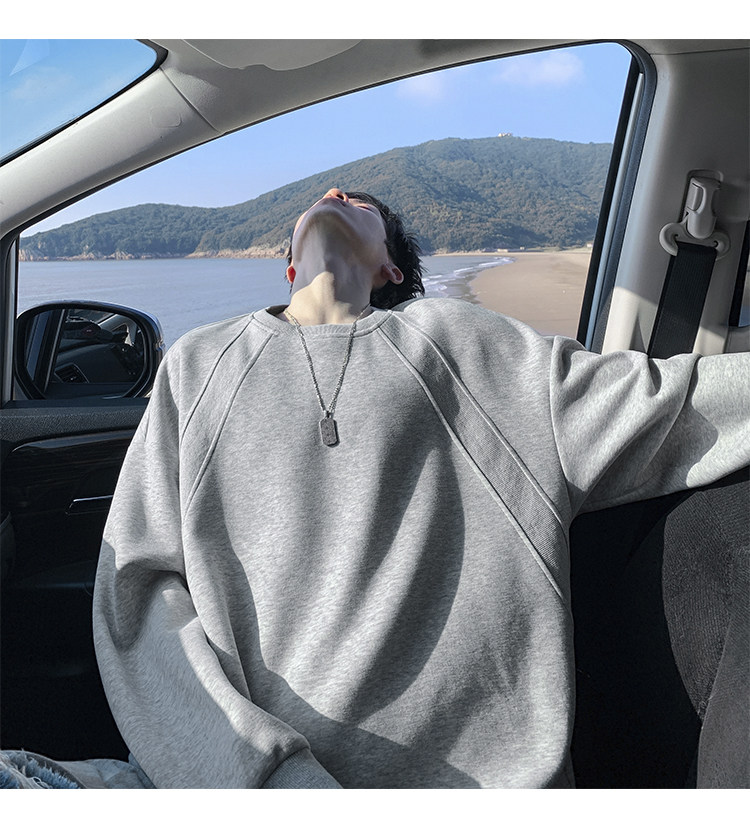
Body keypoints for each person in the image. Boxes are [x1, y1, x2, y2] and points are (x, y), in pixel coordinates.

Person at [90, 188, 750, 788]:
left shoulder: (461, 343)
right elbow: (137, 590)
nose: (335, 192)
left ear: (391, 270)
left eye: (363, 206)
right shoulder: (197, 362)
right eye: (325, 197)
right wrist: (261, 776)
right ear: (289, 264)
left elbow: (668, 402)